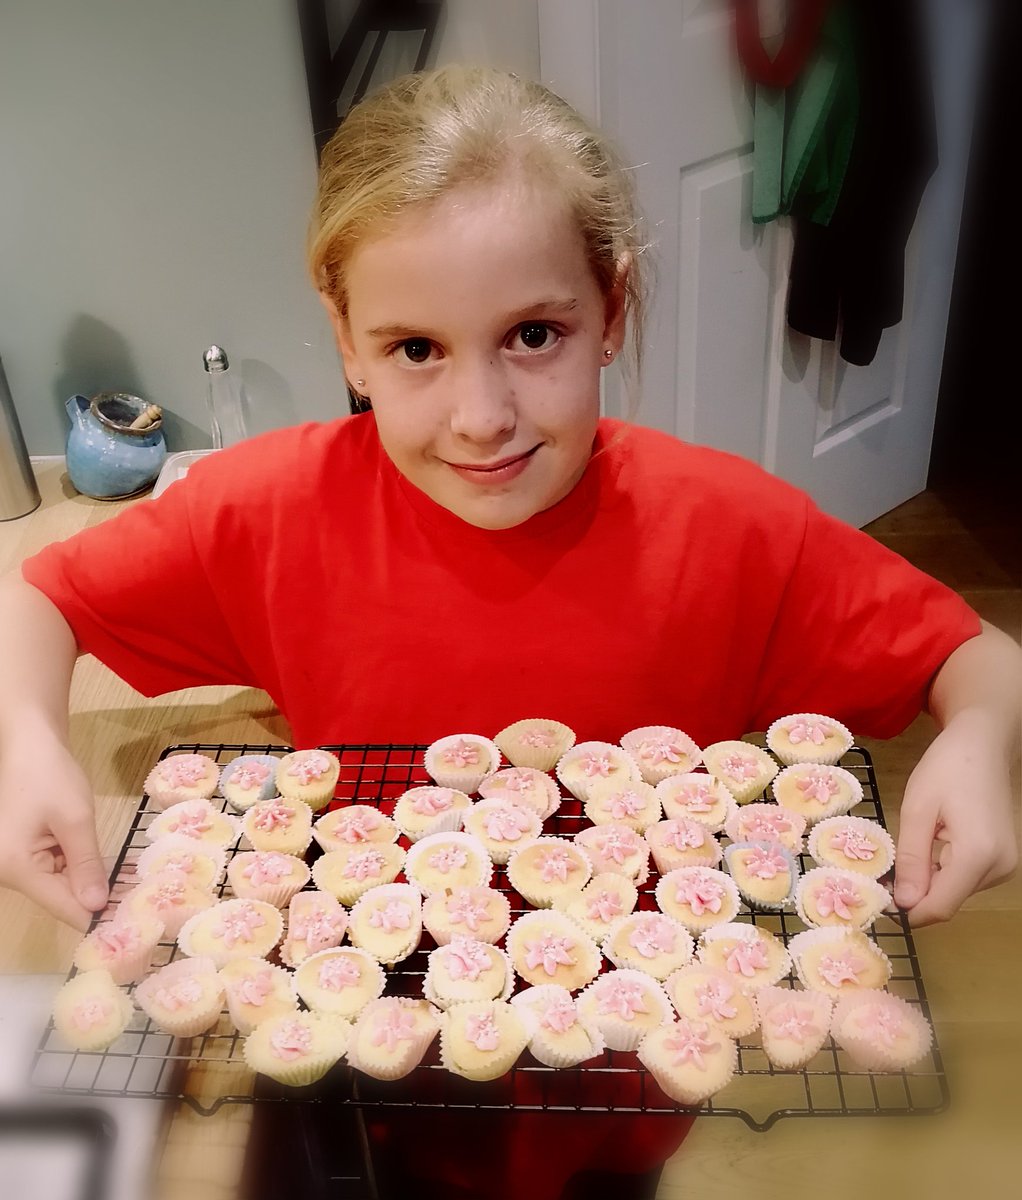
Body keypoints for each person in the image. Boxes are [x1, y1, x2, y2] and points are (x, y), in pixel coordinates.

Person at [0, 66, 1018, 1200]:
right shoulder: (273, 515)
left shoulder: (727, 532)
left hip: (620, 1052)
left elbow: (979, 661)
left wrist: (975, 741)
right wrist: (28, 744)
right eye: (415, 350)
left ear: (612, 309)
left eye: (532, 333)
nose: (479, 417)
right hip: (346, 1025)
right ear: (344, 339)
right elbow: (34, 598)